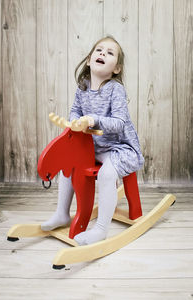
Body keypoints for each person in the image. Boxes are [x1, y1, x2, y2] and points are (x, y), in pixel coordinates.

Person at [41, 36, 144, 245]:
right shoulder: (83, 86)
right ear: (89, 60)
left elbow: (119, 123)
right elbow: (75, 111)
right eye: (99, 50)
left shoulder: (116, 89)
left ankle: (100, 229)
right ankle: (62, 213)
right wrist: (74, 122)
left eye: (110, 52)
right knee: (69, 165)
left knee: (107, 174)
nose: (103, 54)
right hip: (94, 148)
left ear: (117, 68)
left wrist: (93, 120)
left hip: (121, 149)